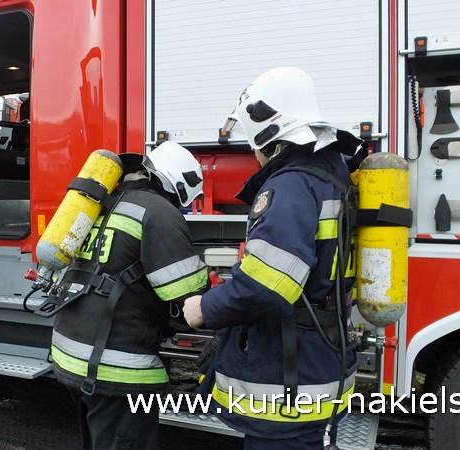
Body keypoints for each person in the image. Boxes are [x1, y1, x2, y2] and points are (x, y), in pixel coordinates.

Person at [183, 67, 361, 450]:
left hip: (288, 378)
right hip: (317, 358)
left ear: (267, 129)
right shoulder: (333, 175)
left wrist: (204, 308)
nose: (252, 150)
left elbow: (266, 287)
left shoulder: (292, 184)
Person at [52, 142, 208, 450]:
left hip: (72, 355)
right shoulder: (159, 213)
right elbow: (189, 299)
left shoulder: (105, 202)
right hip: (118, 371)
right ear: (178, 184)